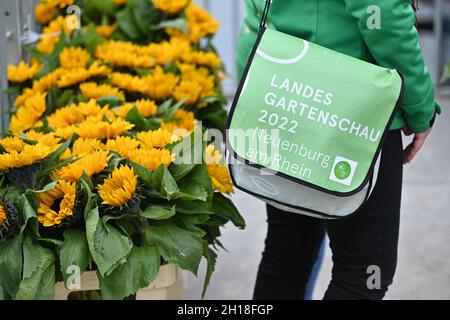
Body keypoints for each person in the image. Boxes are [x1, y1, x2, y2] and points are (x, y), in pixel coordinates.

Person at [236, 0, 441, 300]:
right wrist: (420, 105)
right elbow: (383, 15)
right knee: (365, 275)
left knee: (288, 257)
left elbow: (256, 14)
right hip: (355, 115)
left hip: (286, 95)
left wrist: (257, 90)